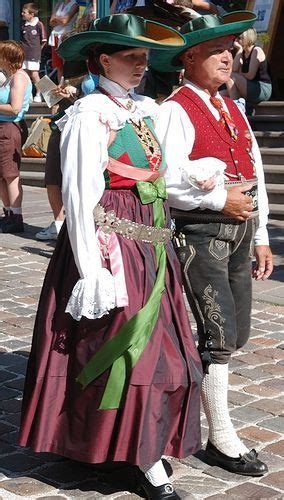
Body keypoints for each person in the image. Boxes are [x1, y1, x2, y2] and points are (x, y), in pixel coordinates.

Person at [18, 14, 202, 499]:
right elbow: (80, 196)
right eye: (131, 56)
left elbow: (154, 179)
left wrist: (197, 179)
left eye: (144, 57)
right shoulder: (89, 114)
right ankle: (138, 458)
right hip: (110, 247)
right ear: (103, 59)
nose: (142, 65)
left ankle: (125, 447)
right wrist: (92, 270)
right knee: (124, 351)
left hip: (151, 250)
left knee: (156, 351)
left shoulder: (140, 110)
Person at [154, 11, 274, 476]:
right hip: (201, 234)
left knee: (238, 331)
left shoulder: (233, 108)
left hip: (240, 234)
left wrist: (261, 234)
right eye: (215, 51)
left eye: (230, 50)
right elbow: (163, 179)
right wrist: (223, 198)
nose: (227, 58)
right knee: (219, 334)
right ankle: (220, 439)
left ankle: (208, 424)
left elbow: (256, 172)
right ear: (188, 59)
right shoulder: (173, 109)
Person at [35, 60, 89, 241]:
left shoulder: (88, 81)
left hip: (75, 132)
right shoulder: (68, 77)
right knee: (52, 179)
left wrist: (72, 95)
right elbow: (56, 108)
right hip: (60, 128)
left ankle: (67, 225)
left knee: (66, 180)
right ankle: (58, 223)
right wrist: (55, 97)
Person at [0, 41, 32, 233]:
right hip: (2, 127)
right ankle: (8, 213)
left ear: (7, 57)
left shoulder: (19, 77)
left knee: (10, 174)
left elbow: (15, 108)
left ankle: (16, 216)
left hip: (9, 128)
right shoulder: (9, 77)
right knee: (2, 175)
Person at [226, 27, 272, 106]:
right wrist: (240, 49)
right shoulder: (243, 53)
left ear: (247, 38)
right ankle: (238, 108)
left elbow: (250, 75)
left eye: (239, 38)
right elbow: (234, 69)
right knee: (221, 94)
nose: (236, 40)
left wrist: (238, 75)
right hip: (250, 85)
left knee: (230, 75)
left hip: (262, 88)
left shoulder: (256, 50)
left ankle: (239, 108)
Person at [21, 3, 47, 103]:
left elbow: (44, 40)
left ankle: (38, 94)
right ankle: (29, 95)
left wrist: (38, 50)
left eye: (24, 12)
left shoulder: (38, 24)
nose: (22, 14)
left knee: (34, 74)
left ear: (31, 14)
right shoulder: (23, 25)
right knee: (25, 74)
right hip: (24, 54)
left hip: (34, 54)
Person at [48, 0, 79, 83]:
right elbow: (51, 22)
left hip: (65, 37)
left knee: (66, 65)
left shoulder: (74, 4)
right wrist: (60, 20)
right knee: (59, 66)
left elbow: (65, 21)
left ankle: (66, 87)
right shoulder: (59, 3)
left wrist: (56, 19)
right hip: (55, 37)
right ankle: (60, 86)